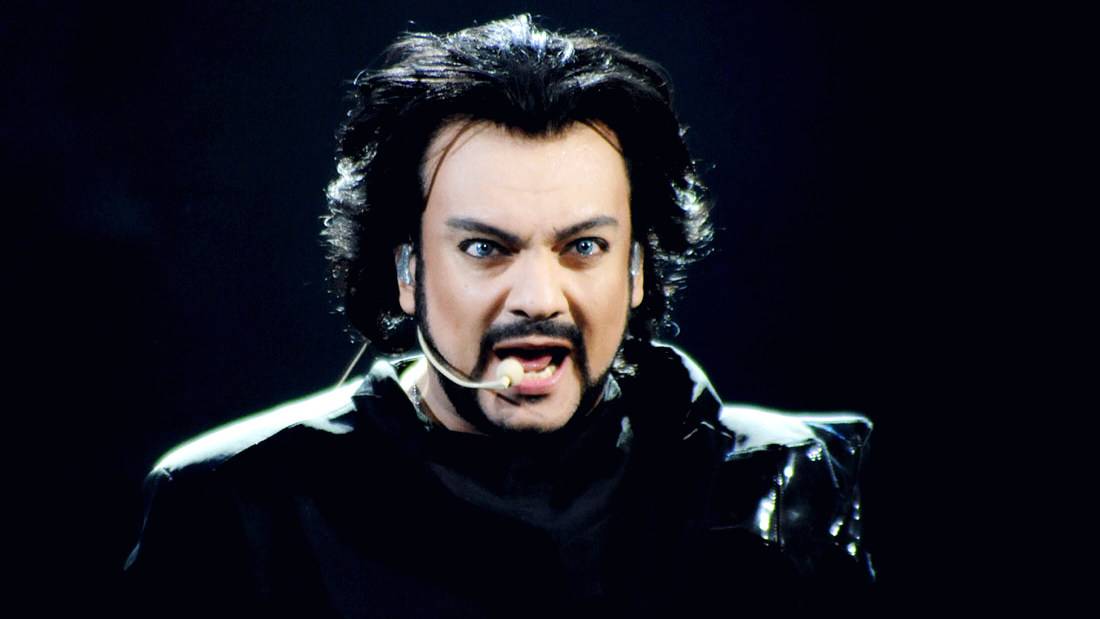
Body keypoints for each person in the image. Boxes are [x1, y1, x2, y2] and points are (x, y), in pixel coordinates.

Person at [123, 15, 873, 618]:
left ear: (638, 270)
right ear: (406, 271)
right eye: (485, 248)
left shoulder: (772, 487)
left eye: (583, 246)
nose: (538, 297)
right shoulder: (237, 509)